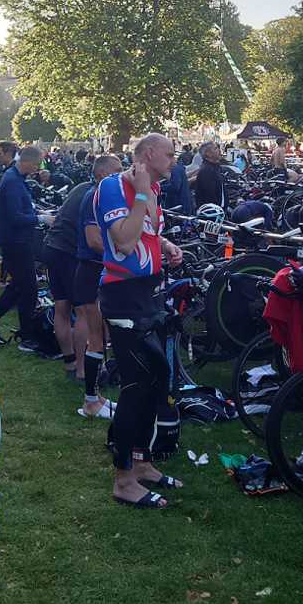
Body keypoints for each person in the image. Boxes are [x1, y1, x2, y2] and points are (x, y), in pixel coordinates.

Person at [94, 133, 185, 510]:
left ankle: (142, 462)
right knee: (136, 385)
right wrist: (144, 193)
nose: (175, 161)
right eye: (170, 154)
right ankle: (123, 480)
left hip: (147, 293)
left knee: (157, 379)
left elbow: (146, 236)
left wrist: (165, 247)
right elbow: (126, 242)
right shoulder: (114, 187)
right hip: (123, 297)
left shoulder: (150, 191)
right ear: (149, 154)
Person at [0, 145, 56, 356]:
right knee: (28, 289)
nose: (37, 169)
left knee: (20, 286)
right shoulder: (12, 181)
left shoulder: (16, 179)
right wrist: (41, 219)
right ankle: (27, 337)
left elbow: (23, 207)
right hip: (15, 241)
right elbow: (16, 217)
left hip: (18, 240)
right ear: (26, 160)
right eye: (36, 164)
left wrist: (38, 210)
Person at [74, 154, 123, 418]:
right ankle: (90, 402)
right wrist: (125, 254)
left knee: (102, 338)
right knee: (96, 339)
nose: (122, 174)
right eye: (117, 171)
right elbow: (94, 240)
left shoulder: (102, 195)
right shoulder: (95, 196)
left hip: (98, 270)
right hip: (92, 271)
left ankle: (97, 397)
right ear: (103, 173)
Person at [41, 170, 87, 381]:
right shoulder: (96, 194)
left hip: (51, 246)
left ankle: (70, 363)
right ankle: (82, 370)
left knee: (62, 307)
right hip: (68, 251)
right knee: (83, 311)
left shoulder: (79, 188)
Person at [193, 142, 226, 210]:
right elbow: (210, 194)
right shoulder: (207, 170)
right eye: (216, 148)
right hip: (211, 213)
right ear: (209, 154)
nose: (219, 150)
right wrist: (217, 211)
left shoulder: (212, 167)